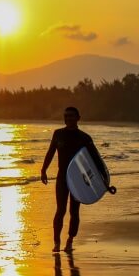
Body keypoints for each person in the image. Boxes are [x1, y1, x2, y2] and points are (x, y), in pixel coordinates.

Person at [41, 106, 103, 252]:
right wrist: (43, 170)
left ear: (78, 118)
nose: (68, 118)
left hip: (78, 179)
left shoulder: (84, 138)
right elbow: (50, 152)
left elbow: (96, 160)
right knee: (60, 210)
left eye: (71, 116)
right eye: (66, 116)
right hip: (62, 177)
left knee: (74, 212)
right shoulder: (58, 134)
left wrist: (103, 180)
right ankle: (56, 242)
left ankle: (70, 240)